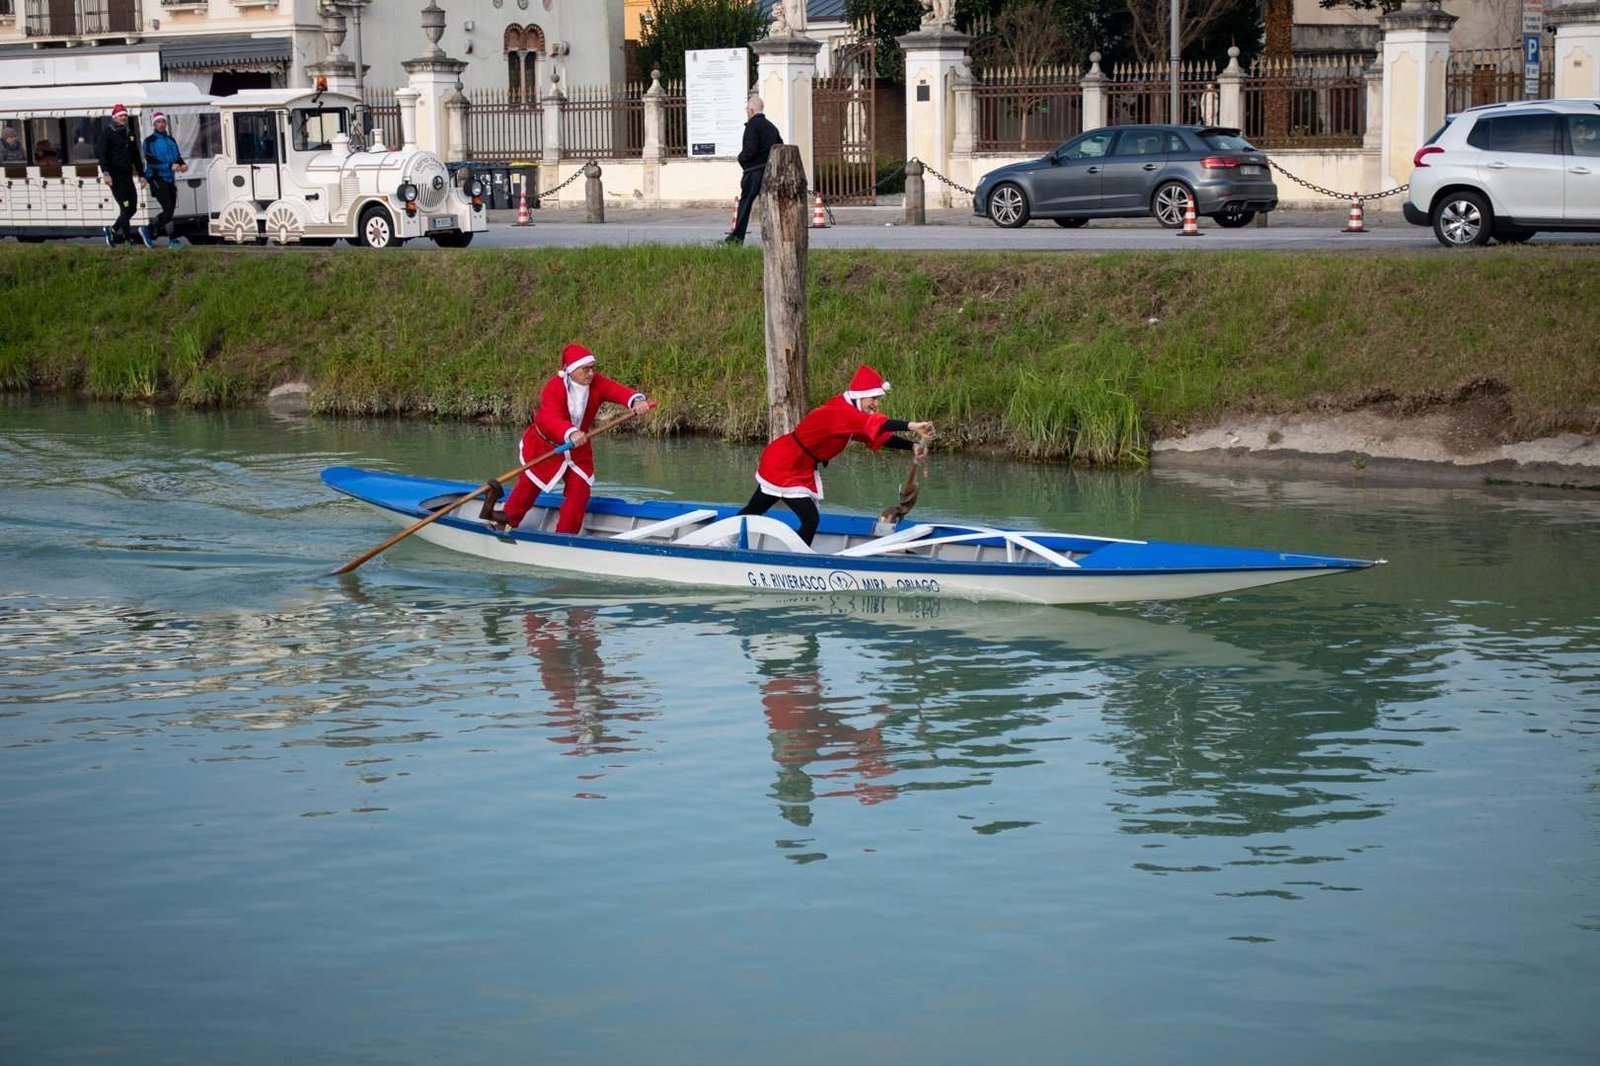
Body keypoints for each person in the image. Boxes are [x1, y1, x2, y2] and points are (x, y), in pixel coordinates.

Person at [737, 364, 934, 545]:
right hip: (786, 462)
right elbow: (879, 424)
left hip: (796, 464)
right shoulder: (841, 412)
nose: (876, 404)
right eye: (873, 398)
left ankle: (726, 540)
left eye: (878, 399)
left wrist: (912, 446)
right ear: (860, 395)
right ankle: (796, 561)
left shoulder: (851, 414)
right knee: (809, 518)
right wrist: (912, 426)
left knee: (757, 508)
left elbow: (878, 436)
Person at [484, 343, 652, 535]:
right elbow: (550, 418)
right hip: (546, 446)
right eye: (585, 369)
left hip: (577, 449)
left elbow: (618, 391)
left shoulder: (596, 382)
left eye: (592, 368)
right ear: (571, 370)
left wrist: (636, 401)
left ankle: (565, 536)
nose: (590, 373)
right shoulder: (554, 387)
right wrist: (570, 432)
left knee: (579, 493)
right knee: (528, 487)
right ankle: (506, 522)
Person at [724, 96, 782, 246]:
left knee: (745, 204)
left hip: (753, 171)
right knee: (769, 204)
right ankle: (774, 238)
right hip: (769, 171)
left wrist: (741, 159)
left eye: (747, 110)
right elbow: (780, 146)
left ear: (751, 110)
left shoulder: (752, 126)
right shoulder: (771, 127)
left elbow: (750, 150)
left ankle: (736, 238)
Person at [96, 103, 145, 247]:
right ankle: (127, 239)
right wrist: (106, 173)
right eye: (121, 116)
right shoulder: (107, 133)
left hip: (127, 175)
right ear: (115, 118)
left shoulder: (129, 133)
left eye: (125, 115)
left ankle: (112, 230)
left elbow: (135, 155)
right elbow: (102, 155)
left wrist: (141, 175)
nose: (124, 118)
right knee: (125, 207)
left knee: (133, 208)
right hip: (115, 176)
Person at [140, 111, 188, 248]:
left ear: (166, 124)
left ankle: (148, 228)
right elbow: (150, 160)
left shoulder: (171, 140)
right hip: (156, 177)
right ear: (154, 124)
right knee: (167, 209)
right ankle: (172, 240)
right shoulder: (149, 141)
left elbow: (177, 157)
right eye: (158, 122)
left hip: (169, 179)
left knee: (170, 211)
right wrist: (169, 165)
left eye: (163, 121)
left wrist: (182, 164)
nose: (161, 124)